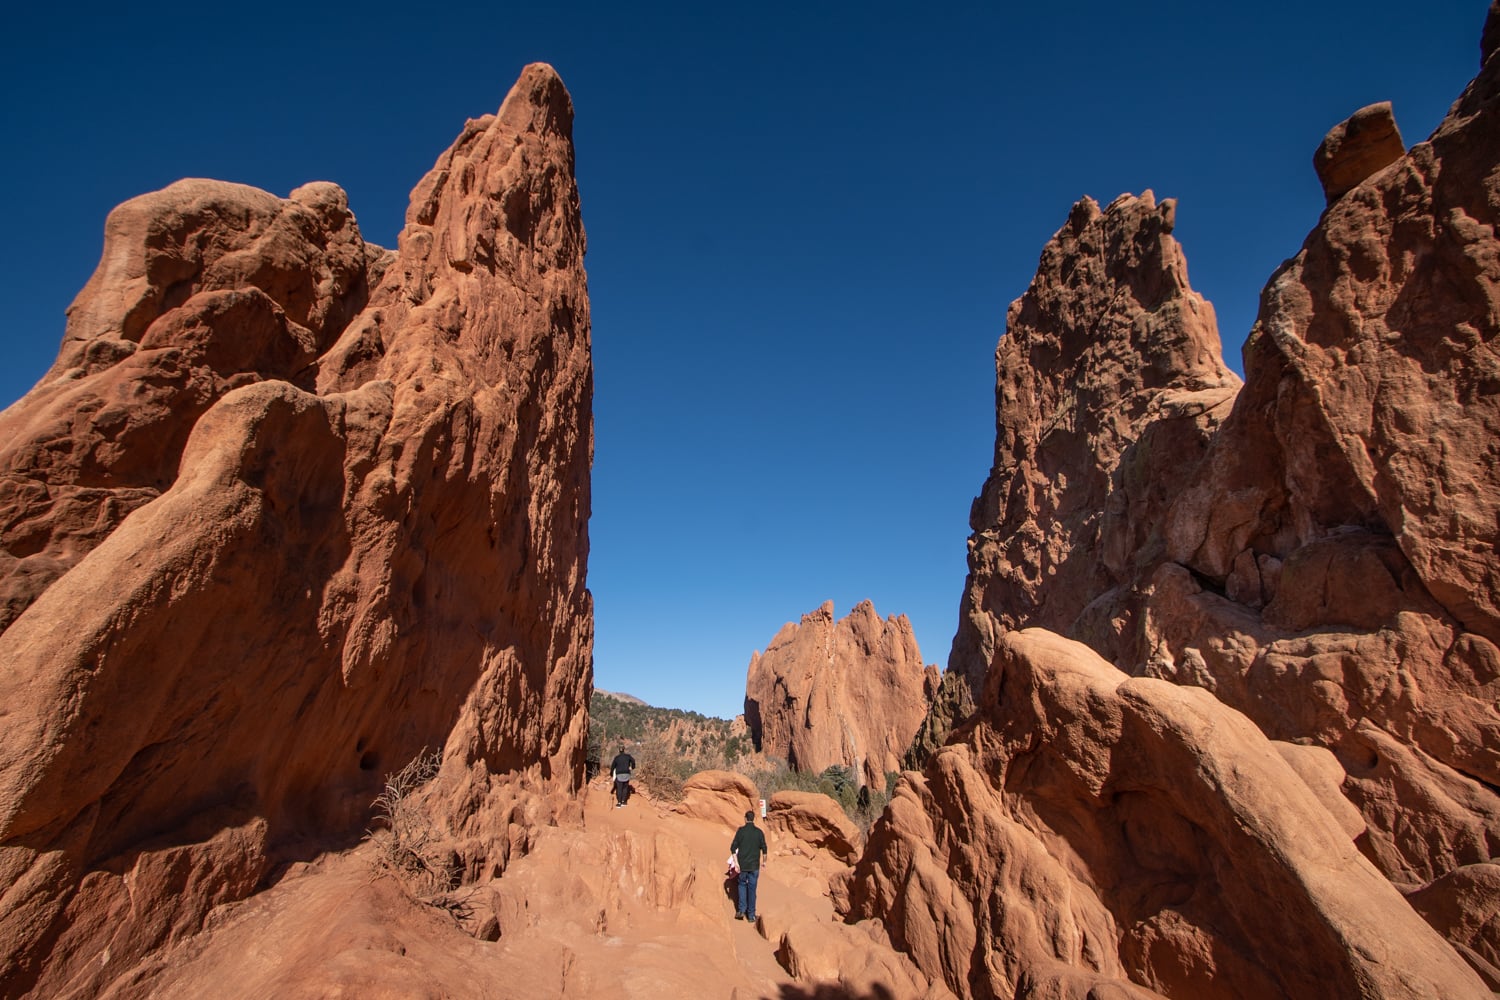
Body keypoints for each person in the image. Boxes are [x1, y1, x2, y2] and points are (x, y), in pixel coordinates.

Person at [729, 809, 768, 921]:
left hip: (742, 865)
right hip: (754, 866)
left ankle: (741, 910)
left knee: (741, 885)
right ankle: (751, 915)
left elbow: (732, 848)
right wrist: (764, 862)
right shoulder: (759, 832)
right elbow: (764, 848)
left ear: (745, 818)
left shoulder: (741, 831)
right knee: (752, 889)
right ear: (754, 819)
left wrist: (736, 863)